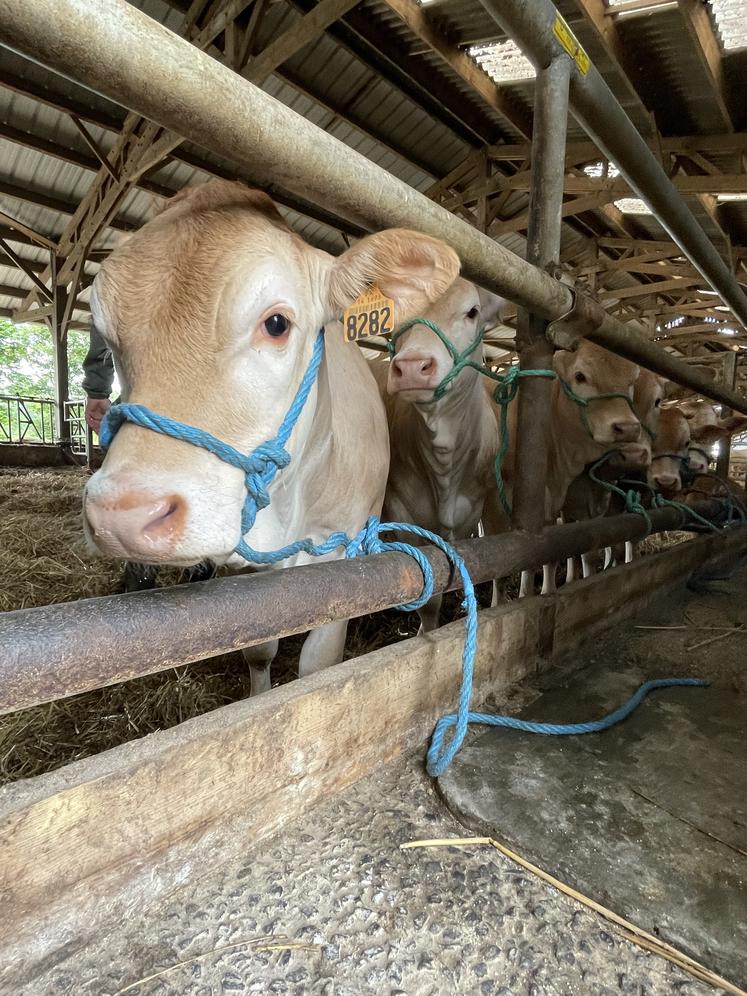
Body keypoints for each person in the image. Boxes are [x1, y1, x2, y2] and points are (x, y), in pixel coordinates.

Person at [82, 326, 215, 590]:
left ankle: (140, 581)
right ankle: (201, 577)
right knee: (206, 476)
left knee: (138, 482)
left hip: (146, 392)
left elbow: (105, 321)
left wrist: (97, 389)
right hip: (209, 397)